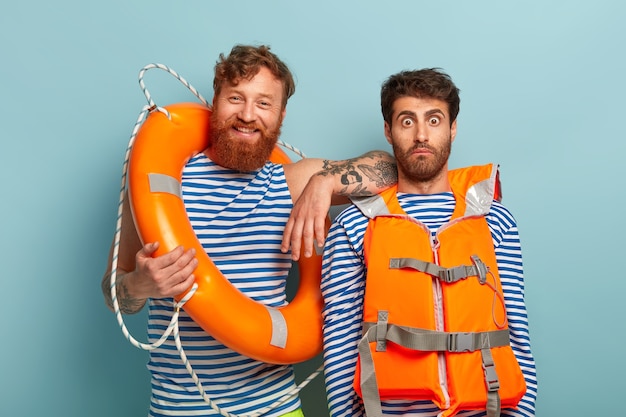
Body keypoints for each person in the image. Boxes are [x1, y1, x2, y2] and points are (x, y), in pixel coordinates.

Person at [101, 44, 396, 417]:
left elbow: (387, 167)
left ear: (280, 115)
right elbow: (114, 293)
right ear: (215, 102)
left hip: (276, 407)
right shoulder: (161, 184)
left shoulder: (292, 181)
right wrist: (140, 286)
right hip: (180, 409)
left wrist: (323, 183)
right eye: (235, 98)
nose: (247, 115)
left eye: (263, 103)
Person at [320, 69, 538, 416]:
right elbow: (340, 340)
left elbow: (517, 337)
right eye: (407, 122)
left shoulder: (495, 219)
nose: (421, 134)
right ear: (388, 131)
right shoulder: (354, 224)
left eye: (434, 120)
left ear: (452, 128)